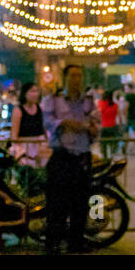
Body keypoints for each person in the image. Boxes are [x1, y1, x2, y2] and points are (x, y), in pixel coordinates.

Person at [41, 64, 100, 254]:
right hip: (62, 157)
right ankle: (53, 242)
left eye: (80, 76)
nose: (77, 80)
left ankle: (76, 241)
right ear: (65, 78)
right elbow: (48, 121)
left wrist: (92, 128)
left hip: (82, 156)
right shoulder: (55, 100)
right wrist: (64, 122)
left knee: (80, 203)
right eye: (73, 75)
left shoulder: (88, 102)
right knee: (57, 203)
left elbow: (96, 122)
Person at [11, 81, 46, 164]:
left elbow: (44, 129)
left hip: (39, 148)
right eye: (32, 91)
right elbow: (14, 136)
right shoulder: (18, 110)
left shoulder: (40, 108)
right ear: (24, 93)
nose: (35, 94)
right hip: (24, 148)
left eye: (37, 91)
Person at [99, 89, 121, 157]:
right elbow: (119, 117)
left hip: (104, 128)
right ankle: (112, 160)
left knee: (104, 147)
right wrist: (120, 127)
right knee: (113, 147)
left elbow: (98, 114)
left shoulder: (100, 103)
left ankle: (105, 161)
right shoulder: (115, 105)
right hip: (113, 127)